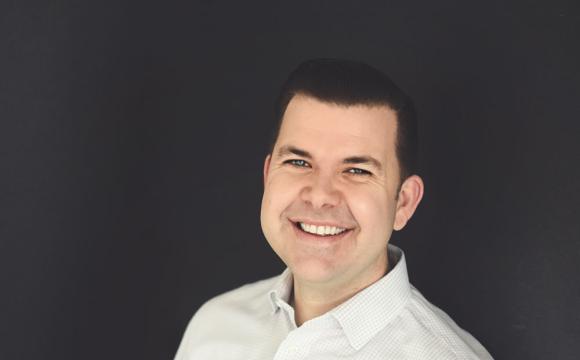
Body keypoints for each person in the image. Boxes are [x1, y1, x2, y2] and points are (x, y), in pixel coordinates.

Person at [174, 59, 493, 359]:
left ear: (404, 202)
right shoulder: (213, 327)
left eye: (357, 170)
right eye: (298, 162)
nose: (320, 195)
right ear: (268, 175)